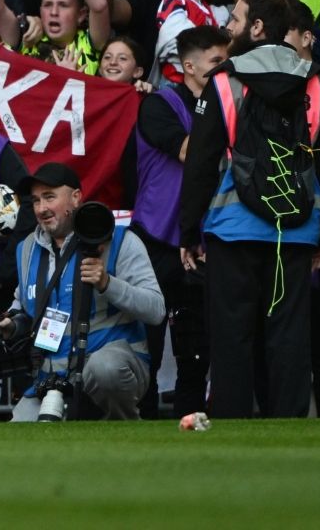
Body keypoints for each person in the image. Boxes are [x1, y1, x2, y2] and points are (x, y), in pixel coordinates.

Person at [180, 0, 320, 419]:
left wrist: (187, 229)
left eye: (235, 19)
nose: (228, 27)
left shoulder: (224, 81)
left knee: (232, 336)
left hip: (232, 229)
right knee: (288, 336)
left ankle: (232, 425)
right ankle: (288, 427)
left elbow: (201, 161)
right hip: (297, 228)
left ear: (255, 26)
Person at [0, 162, 165, 420]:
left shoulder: (120, 239)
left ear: (76, 197)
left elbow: (156, 310)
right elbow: (23, 308)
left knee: (105, 370)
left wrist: (108, 284)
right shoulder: (26, 249)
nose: (42, 209)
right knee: (16, 446)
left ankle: (124, 430)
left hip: (108, 367)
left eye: (49, 197)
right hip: (52, 381)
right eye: (35, 201)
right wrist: (6, 325)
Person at [130, 24, 227, 418]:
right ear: (188, 65)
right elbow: (193, 153)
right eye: (216, 62)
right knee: (146, 346)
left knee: (196, 349)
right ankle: (143, 425)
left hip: (199, 240)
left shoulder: (225, 104)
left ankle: (190, 423)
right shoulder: (159, 105)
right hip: (153, 240)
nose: (224, 70)